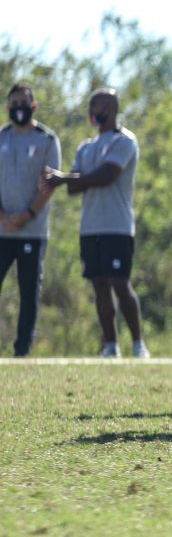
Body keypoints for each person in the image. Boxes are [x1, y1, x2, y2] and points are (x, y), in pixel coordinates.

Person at [45, 89, 149, 358]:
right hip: (91, 226)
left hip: (117, 225)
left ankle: (138, 344)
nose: (93, 112)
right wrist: (70, 180)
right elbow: (74, 188)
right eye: (91, 106)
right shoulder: (86, 146)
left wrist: (65, 178)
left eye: (98, 106)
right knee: (99, 284)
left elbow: (107, 175)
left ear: (112, 109)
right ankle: (110, 345)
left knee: (119, 283)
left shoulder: (125, 141)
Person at [0, 84, 61, 357]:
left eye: (23, 102)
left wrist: (26, 216)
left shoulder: (46, 139)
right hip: (2, 230)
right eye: (14, 103)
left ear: (33, 106)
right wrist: (4, 218)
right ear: (7, 106)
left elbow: (49, 184)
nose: (18, 108)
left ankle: (21, 350)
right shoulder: (1, 136)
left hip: (32, 231)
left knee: (28, 293)